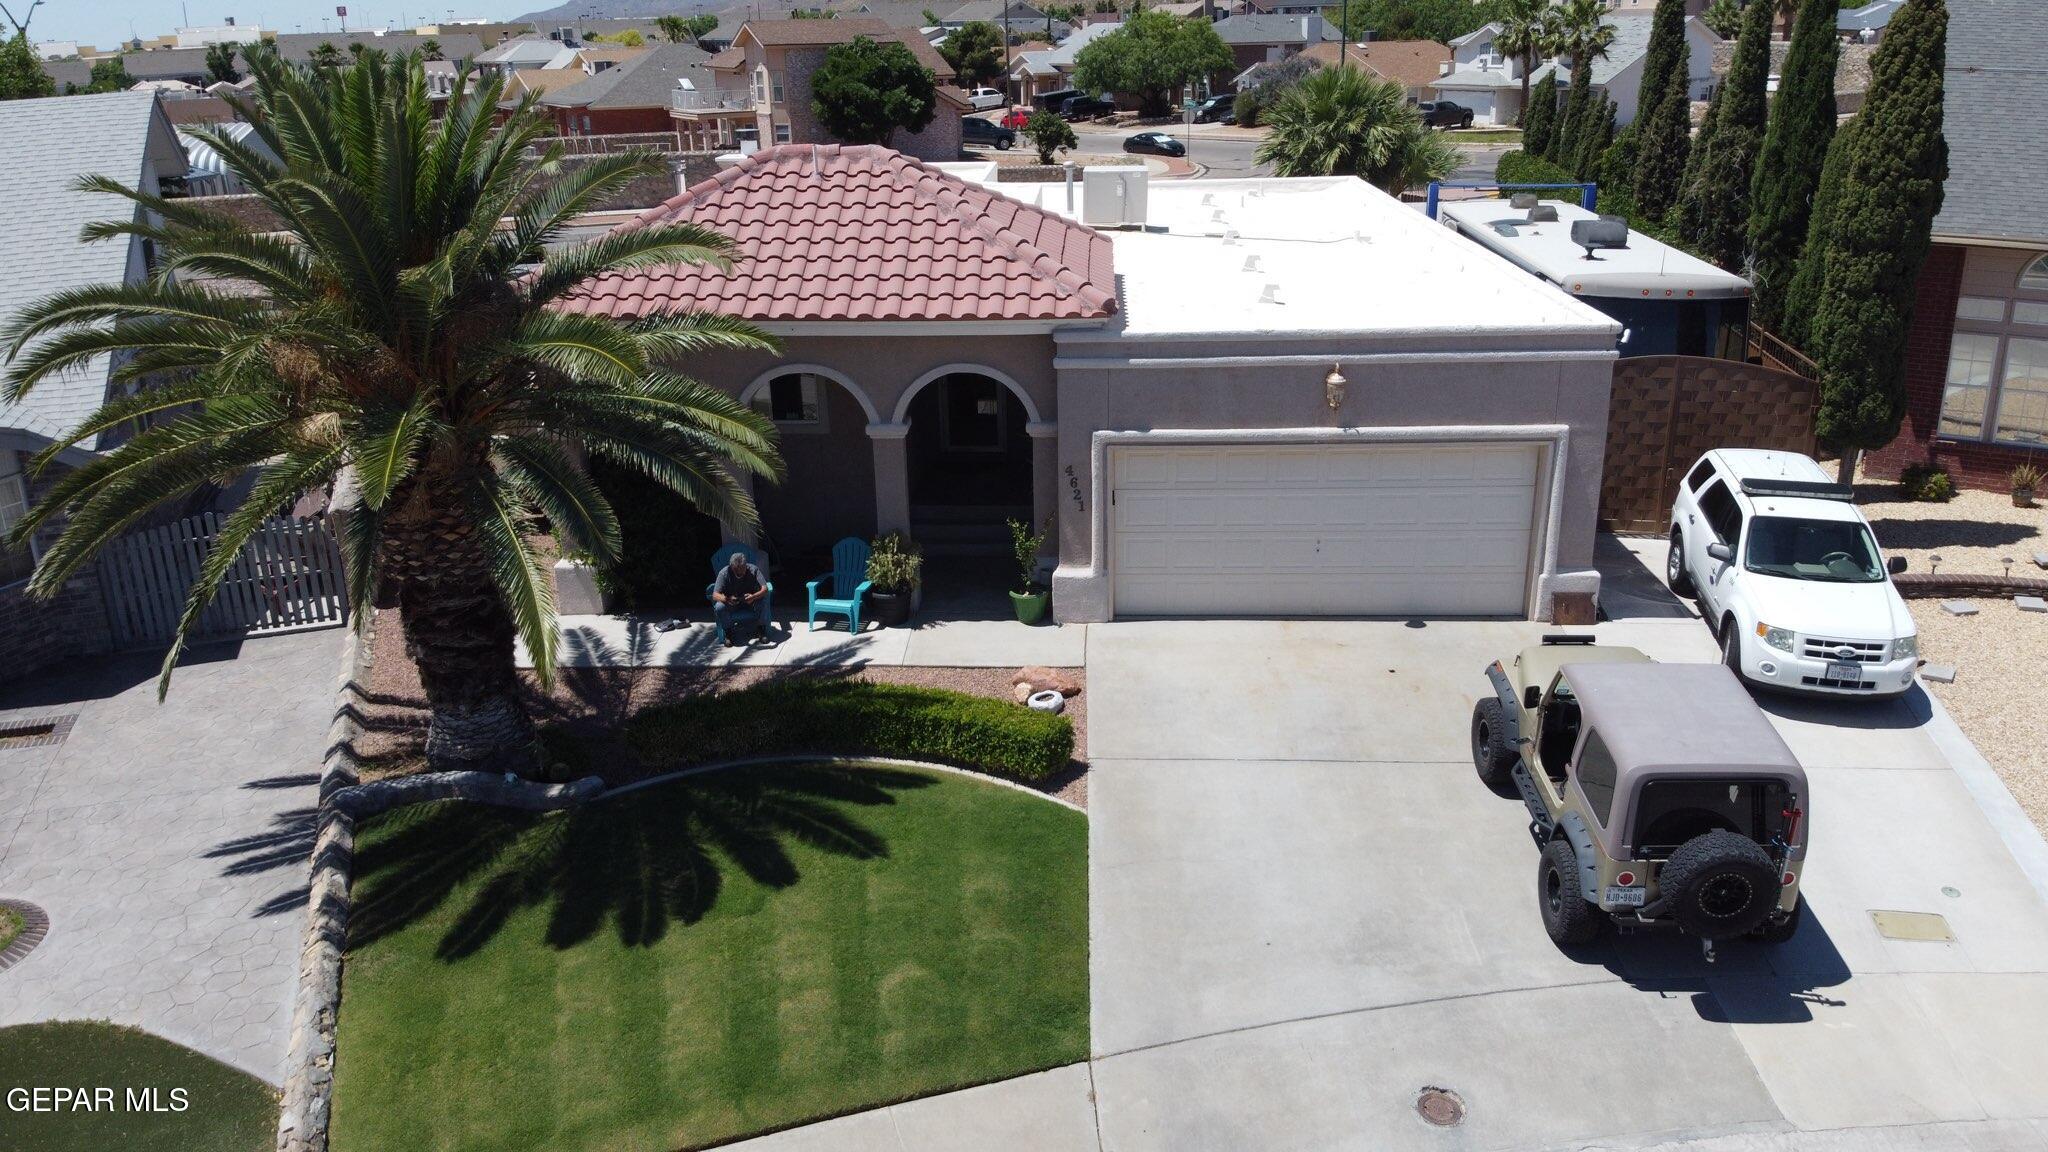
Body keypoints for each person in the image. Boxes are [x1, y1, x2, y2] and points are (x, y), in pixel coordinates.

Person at [712, 550, 771, 645]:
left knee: (763, 601)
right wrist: (727, 599)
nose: (741, 573)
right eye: (737, 572)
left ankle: (761, 629)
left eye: (743, 570)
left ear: (746, 565)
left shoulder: (753, 570)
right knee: (719, 607)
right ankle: (728, 631)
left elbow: (765, 588)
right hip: (732, 602)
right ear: (731, 568)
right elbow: (715, 595)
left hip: (750, 601)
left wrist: (753, 597)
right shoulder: (724, 573)